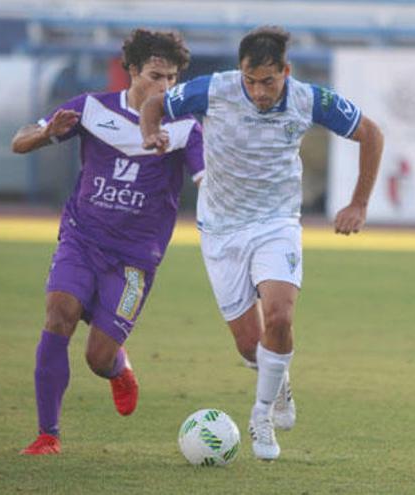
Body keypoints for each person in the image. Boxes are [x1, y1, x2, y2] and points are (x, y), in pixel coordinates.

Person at [140, 25, 384, 460]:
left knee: (280, 316)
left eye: (268, 82)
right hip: (221, 228)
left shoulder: (311, 99)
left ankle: (261, 416)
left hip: (276, 223)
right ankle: (279, 381)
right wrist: (150, 133)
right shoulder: (214, 89)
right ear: (241, 73)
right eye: (250, 81)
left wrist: (359, 203)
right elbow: (154, 104)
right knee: (249, 344)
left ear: (285, 72)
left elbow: (371, 134)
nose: (258, 91)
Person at [12, 29, 203, 455]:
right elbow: (19, 140)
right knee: (60, 311)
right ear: (131, 70)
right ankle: (49, 435)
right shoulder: (91, 108)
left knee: (97, 357)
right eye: (156, 75)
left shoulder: (184, 125)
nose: (165, 87)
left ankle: (118, 368)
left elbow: (205, 176)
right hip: (82, 237)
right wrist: (45, 134)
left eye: (172, 78)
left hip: (136, 259)